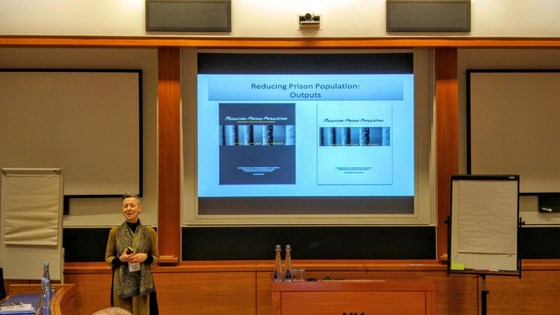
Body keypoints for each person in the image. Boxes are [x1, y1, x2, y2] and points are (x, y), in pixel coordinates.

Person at [104, 193, 159, 315]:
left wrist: (146, 257)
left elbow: (155, 258)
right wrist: (121, 259)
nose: (128, 209)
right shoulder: (115, 232)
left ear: (140, 208)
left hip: (143, 283)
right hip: (121, 282)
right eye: (125, 206)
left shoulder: (149, 232)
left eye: (132, 205)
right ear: (122, 210)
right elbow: (108, 257)